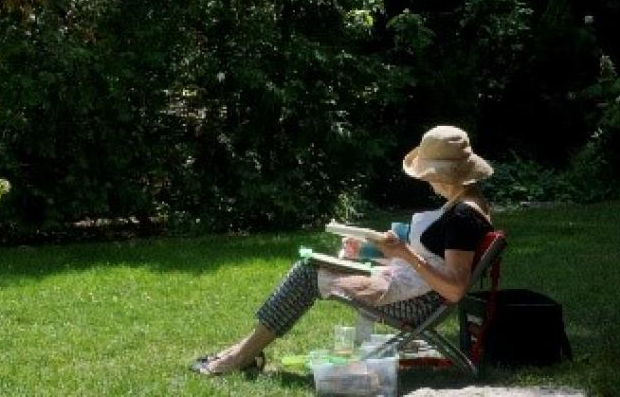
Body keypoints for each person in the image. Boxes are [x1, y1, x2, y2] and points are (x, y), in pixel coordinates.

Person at [191, 125, 494, 375]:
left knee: (307, 273)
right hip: (411, 288)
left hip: (417, 303)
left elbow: (454, 289)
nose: (427, 183)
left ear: (444, 174)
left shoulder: (463, 217)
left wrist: (403, 253)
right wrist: (370, 250)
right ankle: (244, 350)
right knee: (311, 265)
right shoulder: (466, 204)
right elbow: (433, 254)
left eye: (429, 176)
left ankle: (241, 356)